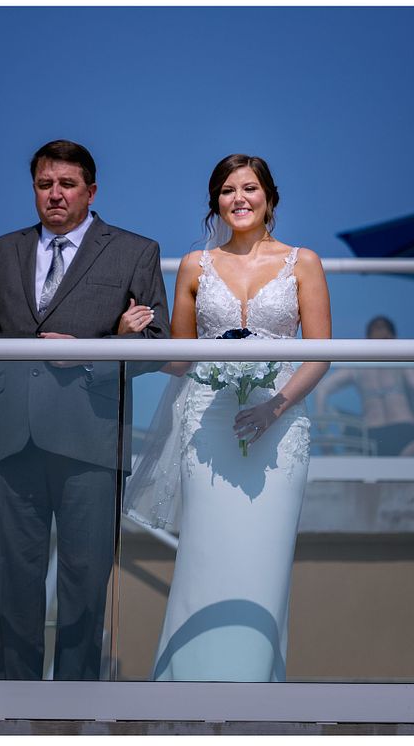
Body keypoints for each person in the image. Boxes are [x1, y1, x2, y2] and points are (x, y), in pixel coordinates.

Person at [0, 139, 170, 681]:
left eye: (67, 184)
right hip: (11, 435)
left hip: (91, 439)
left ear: (91, 192)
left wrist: (91, 352)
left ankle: (75, 706)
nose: (55, 194)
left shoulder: (135, 251)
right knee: (13, 581)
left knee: (86, 582)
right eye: (44, 184)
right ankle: (15, 705)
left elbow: (157, 346)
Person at [131, 154, 331, 682]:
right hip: (206, 426)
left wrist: (274, 407)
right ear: (215, 203)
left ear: (270, 197)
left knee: (265, 557)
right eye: (226, 190)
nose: (238, 198)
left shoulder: (303, 262)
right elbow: (179, 358)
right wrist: (127, 339)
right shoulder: (194, 265)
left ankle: (253, 688)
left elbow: (320, 355)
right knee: (205, 553)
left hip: (280, 428)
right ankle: (187, 688)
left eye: (249, 188)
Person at [316, 316, 414, 455]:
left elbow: (323, 388)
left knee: (373, 469)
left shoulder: (358, 366)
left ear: (367, 339)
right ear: (393, 337)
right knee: (412, 469)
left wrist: (322, 425)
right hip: (403, 425)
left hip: (372, 430)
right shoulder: (403, 359)